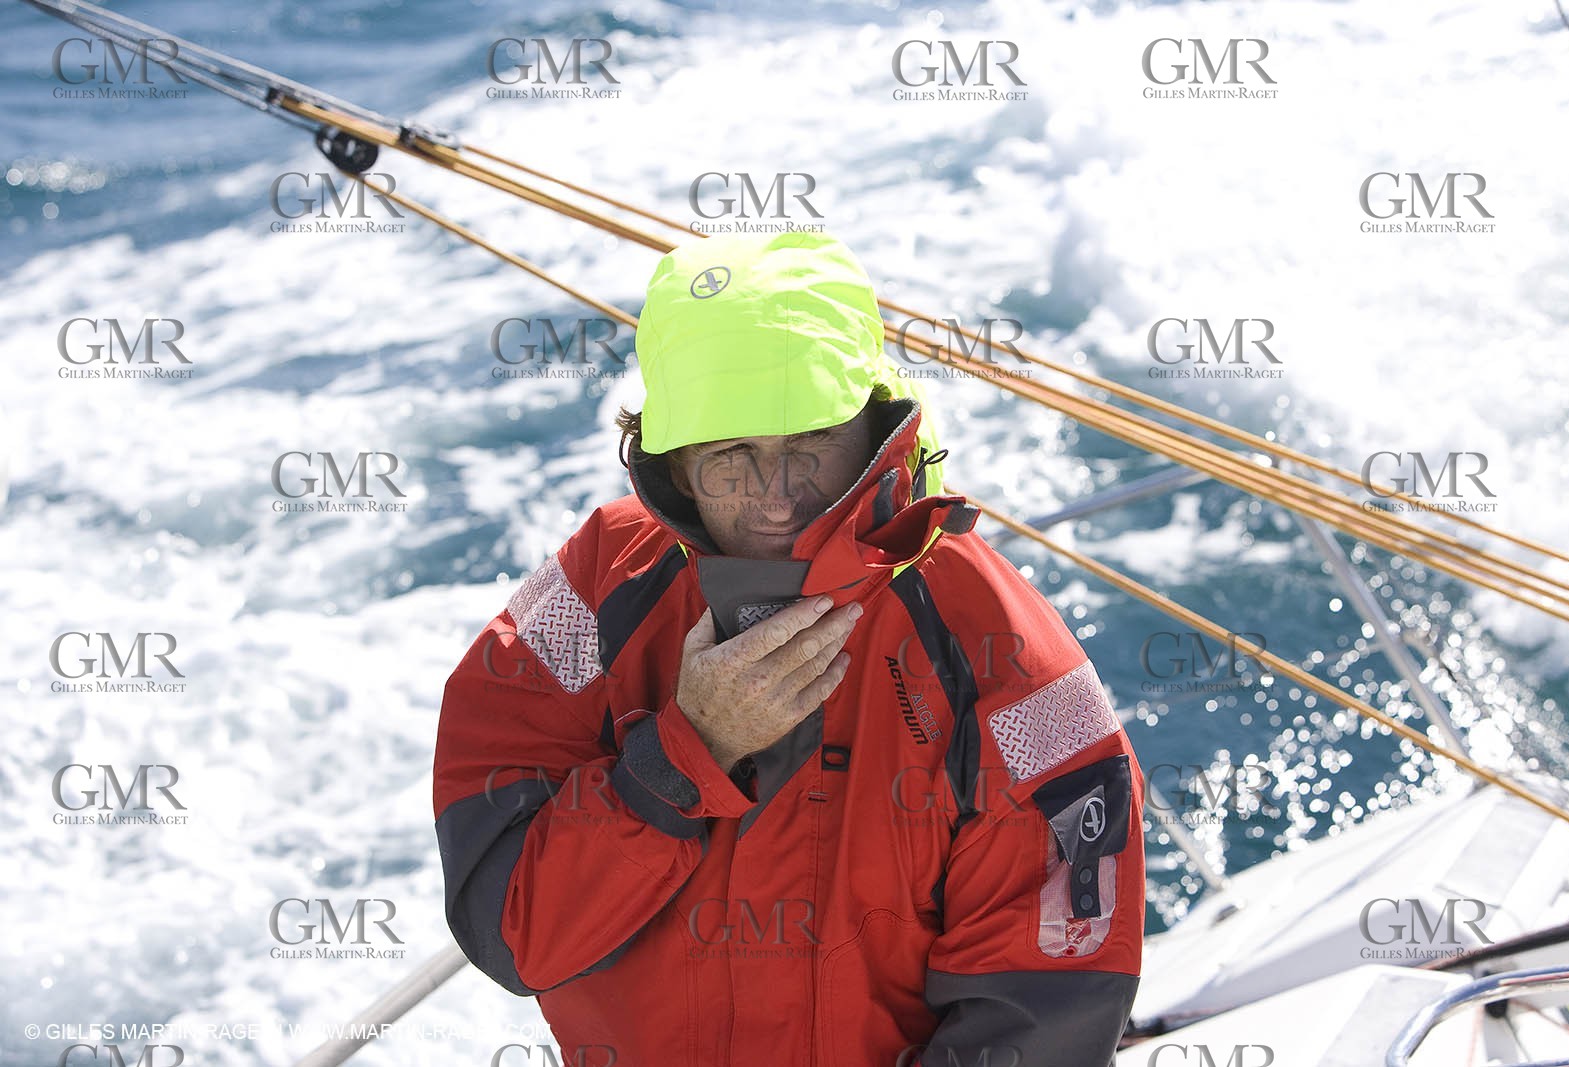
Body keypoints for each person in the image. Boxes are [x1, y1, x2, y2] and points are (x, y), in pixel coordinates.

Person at [432, 232, 1145, 1066]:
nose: (775, 498)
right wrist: (679, 760)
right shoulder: (594, 587)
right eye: (730, 450)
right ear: (672, 461)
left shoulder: (1008, 661)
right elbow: (508, 928)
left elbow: (1044, 1015)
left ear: (874, 426)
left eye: (809, 441)